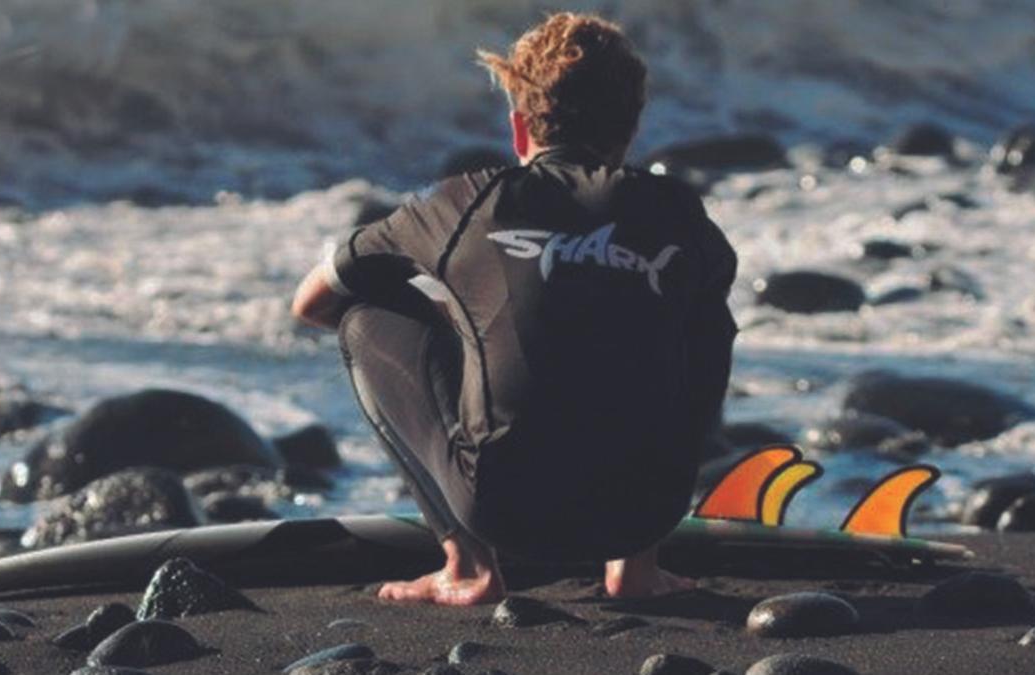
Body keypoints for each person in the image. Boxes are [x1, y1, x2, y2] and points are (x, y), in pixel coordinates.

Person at [292, 12, 737, 606]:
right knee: (699, 315)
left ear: (519, 128)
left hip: (503, 511)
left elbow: (313, 302)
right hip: (644, 513)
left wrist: (462, 336)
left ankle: (467, 565)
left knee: (362, 317)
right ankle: (636, 569)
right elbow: (696, 368)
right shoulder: (681, 213)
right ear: (631, 128)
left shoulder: (468, 202)